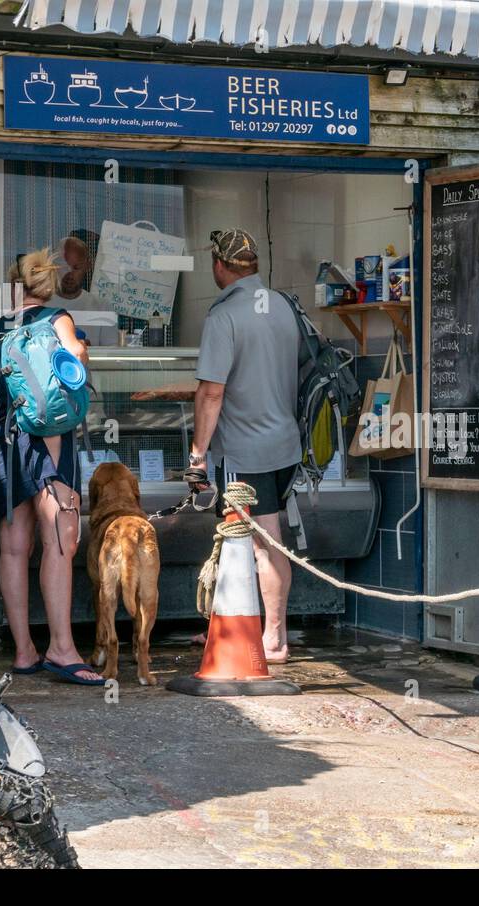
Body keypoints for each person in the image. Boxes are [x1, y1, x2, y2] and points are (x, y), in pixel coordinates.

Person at [0, 249, 103, 685]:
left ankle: (24, 652)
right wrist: (80, 349)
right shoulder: (58, 318)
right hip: (49, 440)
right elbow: (76, 361)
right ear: (46, 287)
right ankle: (63, 648)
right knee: (60, 541)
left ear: (13, 288)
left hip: (5, 442)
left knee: (13, 546)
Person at [186, 229, 300, 663]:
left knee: (263, 544)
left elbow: (211, 393)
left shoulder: (222, 317)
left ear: (220, 264)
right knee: (245, 541)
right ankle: (230, 626)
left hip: (245, 450)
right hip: (284, 445)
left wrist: (198, 454)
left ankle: (273, 639)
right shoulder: (282, 306)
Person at [46, 235, 116, 344]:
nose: (69, 274)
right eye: (64, 267)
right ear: (53, 266)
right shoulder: (41, 305)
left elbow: (112, 355)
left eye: (76, 268)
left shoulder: (103, 307)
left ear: (87, 266)